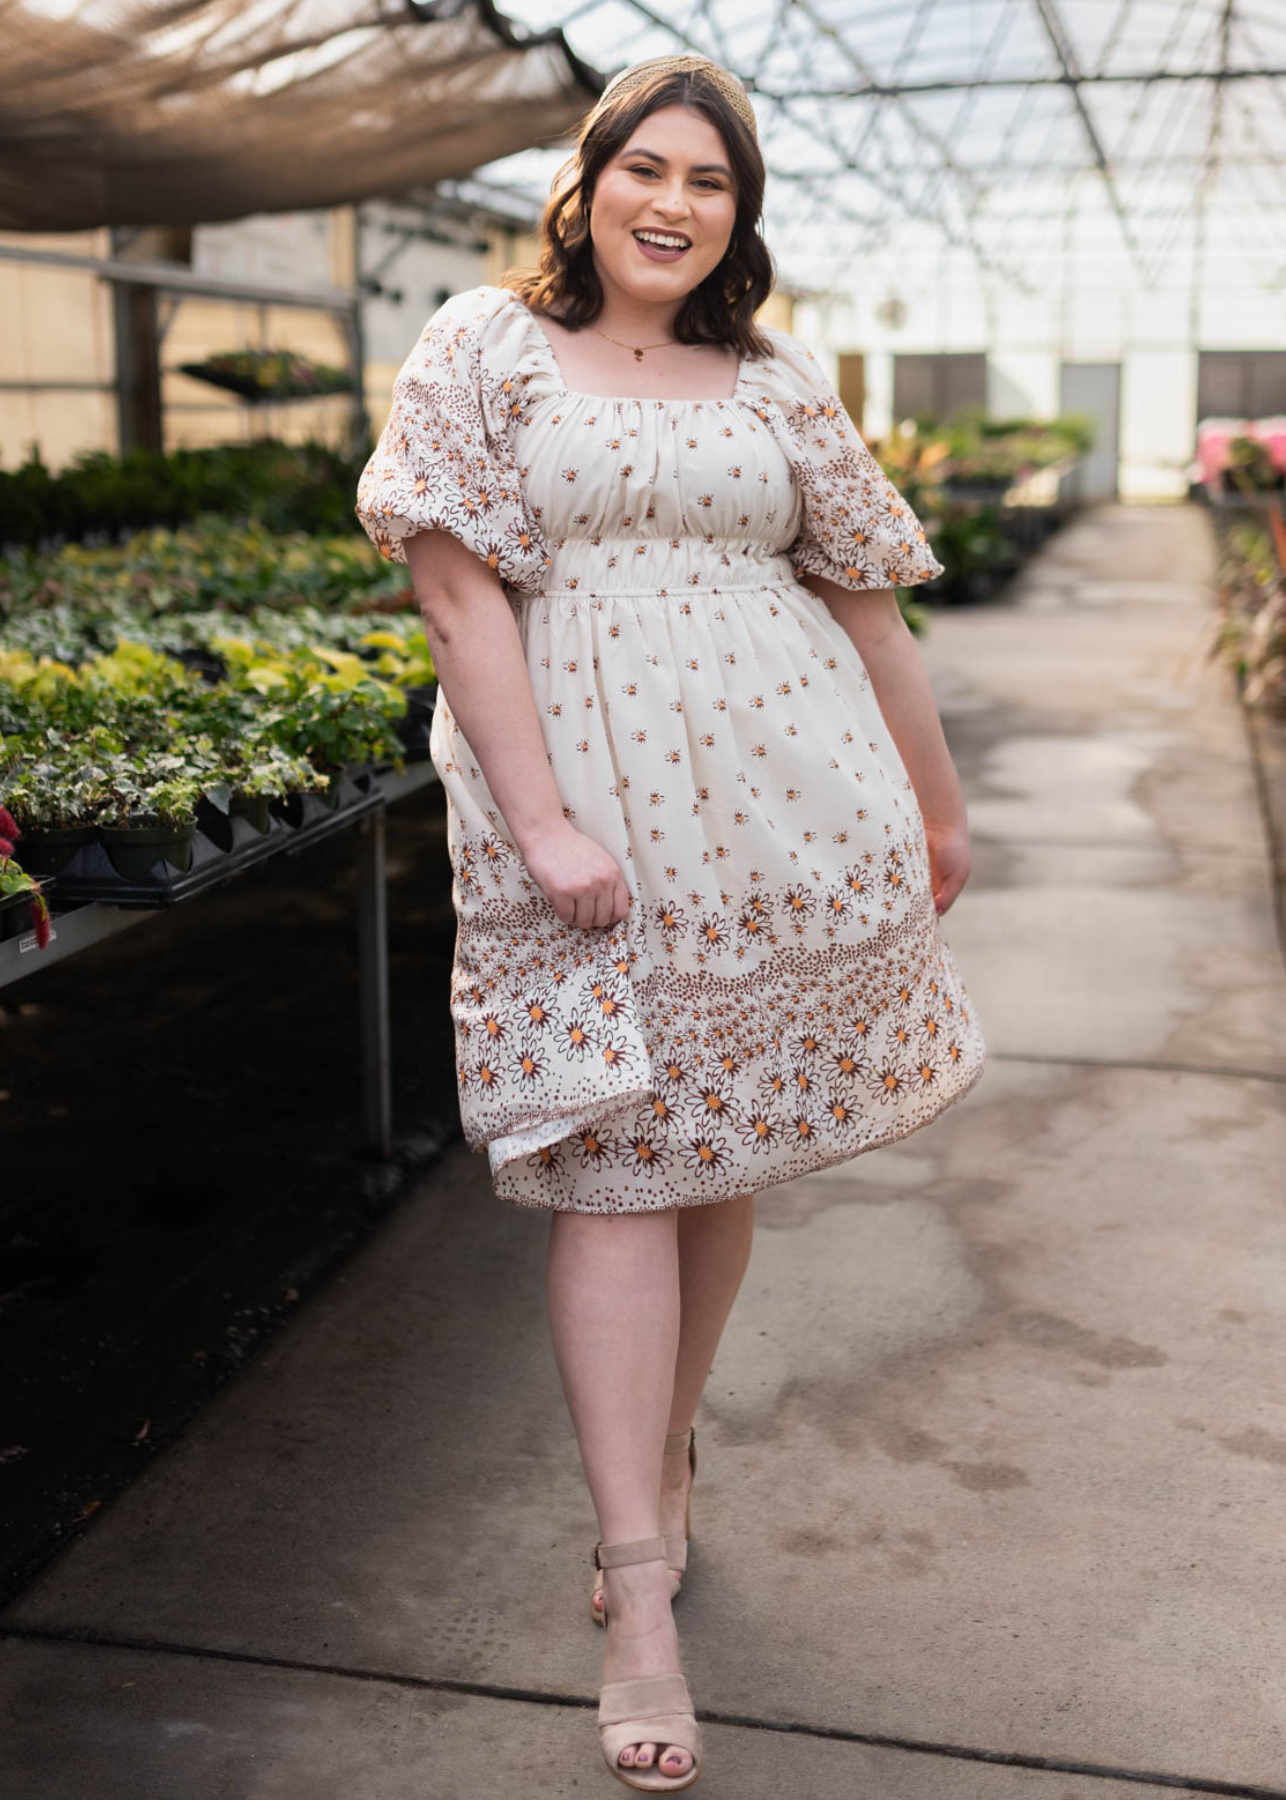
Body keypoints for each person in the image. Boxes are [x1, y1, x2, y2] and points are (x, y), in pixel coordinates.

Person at [356, 51, 986, 1792]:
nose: (673, 202)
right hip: (573, 823)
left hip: (776, 817)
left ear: (738, 215)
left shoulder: (772, 381)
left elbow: (866, 616)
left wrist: (934, 807)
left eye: (709, 181)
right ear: (588, 181)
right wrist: (544, 816)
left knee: (707, 1160)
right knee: (611, 1168)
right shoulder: (480, 349)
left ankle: (666, 1456)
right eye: (646, 166)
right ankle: (639, 1590)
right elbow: (456, 593)